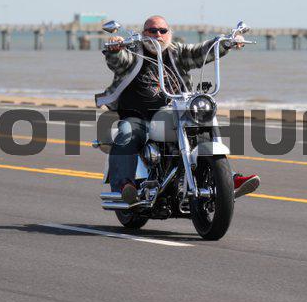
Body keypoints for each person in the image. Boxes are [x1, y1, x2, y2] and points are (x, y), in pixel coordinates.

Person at [95, 15, 259, 203]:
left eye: (162, 31)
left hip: (176, 114)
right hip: (139, 118)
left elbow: (201, 51)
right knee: (126, 134)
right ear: (143, 33)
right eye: (152, 31)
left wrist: (226, 42)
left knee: (203, 129)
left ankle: (228, 179)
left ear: (169, 33)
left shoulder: (177, 53)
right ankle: (126, 185)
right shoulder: (133, 53)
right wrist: (115, 49)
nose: (158, 35)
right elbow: (118, 62)